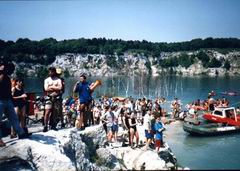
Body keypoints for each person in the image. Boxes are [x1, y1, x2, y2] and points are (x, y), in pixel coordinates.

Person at [0, 61, 31, 147]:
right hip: (1, 100)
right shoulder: (2, 76)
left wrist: (11, 100)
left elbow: (9, 91)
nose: (11, 71)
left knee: (14, 118)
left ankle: (21, 133)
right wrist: (2, 71)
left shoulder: (7, 78)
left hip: (8, 100)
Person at [43, 67, 63, 132]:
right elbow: (46, 89)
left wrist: (51, 86)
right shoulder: (47, 80)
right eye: (50, 72)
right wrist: (55, 88)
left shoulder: (58, 80)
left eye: (52, 72)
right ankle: (45, 125)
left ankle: (53, 125)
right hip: (49, 97)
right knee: (47, 111)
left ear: (54, 72)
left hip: (56, 98)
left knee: (55, 112)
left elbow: (60, 87)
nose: (50, 73)